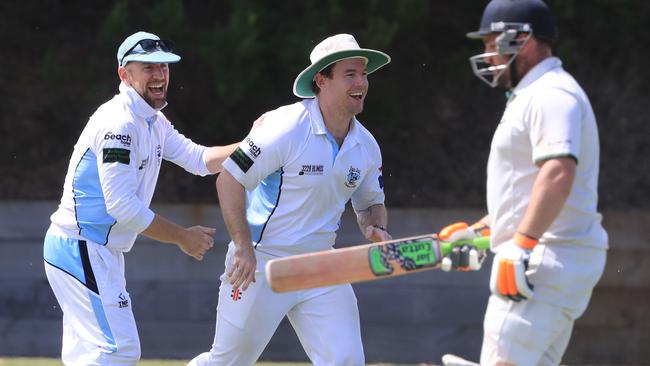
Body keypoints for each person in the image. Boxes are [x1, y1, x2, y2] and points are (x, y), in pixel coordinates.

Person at [188, 33, 392, 366]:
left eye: (364, 74)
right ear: (321, 80)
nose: (361, 83)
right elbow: (229, 179)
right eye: (350, 74)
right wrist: (242, 247)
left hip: (322, 266)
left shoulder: (366, 146)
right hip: (262, 262)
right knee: (227, 362)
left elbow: (370, 204)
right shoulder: (284, 126)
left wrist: (377, 227)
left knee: (346, 361)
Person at [43, 31, 243, 365]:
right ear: (125, 74)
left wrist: (258, 144)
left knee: (91, 355)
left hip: (92, 251)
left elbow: (200, 160)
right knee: (118, 350)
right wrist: (182, 237)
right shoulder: (119, 123)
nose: (160, 74)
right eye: (148, 67)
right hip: (80, 248)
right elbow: (120, 206)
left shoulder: (153, 120)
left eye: (164, 66)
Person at [441, 1, 608, 365]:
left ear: (523, 40)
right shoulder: (534, 93)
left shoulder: (550, 94)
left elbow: (558, 172)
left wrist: (522, 243)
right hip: (551, 257)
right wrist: (484, 230)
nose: (487, 55)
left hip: (542, 259)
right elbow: (527, 188)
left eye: (491, 43)